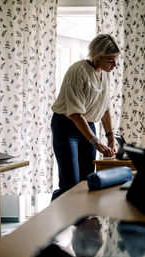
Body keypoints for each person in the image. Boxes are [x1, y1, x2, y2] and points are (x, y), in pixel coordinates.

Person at [51, 34, 121, 200]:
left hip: (88, 125)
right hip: (67, 126)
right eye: (111, 60)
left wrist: (110, 137)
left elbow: (105, 109)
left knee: (87, 180)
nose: (115, 64)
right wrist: (95, 141)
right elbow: (75, 113)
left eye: (115, 59)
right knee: (71, 183)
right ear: (97, 55)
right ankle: (55, 217)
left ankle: (82, 222)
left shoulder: (104, 74)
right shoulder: (78, 71)